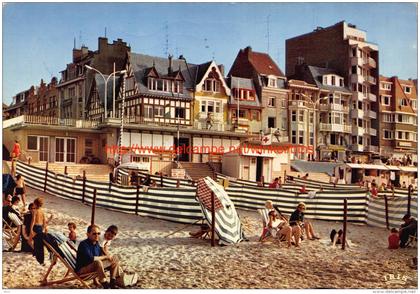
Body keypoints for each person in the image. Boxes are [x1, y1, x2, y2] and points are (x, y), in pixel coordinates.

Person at [75, 224, 122, 289]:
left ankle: (112, 283)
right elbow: (92, 259)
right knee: (98, 262)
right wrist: (106, 257)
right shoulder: (83, 244)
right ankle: (105, 284)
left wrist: (110, 258)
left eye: (98, 233)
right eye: (94, 233)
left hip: (93, 268)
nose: (97, 235)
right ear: (87, 234)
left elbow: (101, 256)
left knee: (115, 260)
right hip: (82, 270)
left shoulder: (96, 244)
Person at [29, 197, 47, 264]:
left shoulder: (34, 211)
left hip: (36, 227)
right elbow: (44, 221)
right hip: (40, 227)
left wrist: (31, 229)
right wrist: (44, 228)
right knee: (39, 244)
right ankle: (39, 258)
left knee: (36, 243)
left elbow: (33, 221)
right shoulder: (42, 211)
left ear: (36, 204)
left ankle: (38, 258)